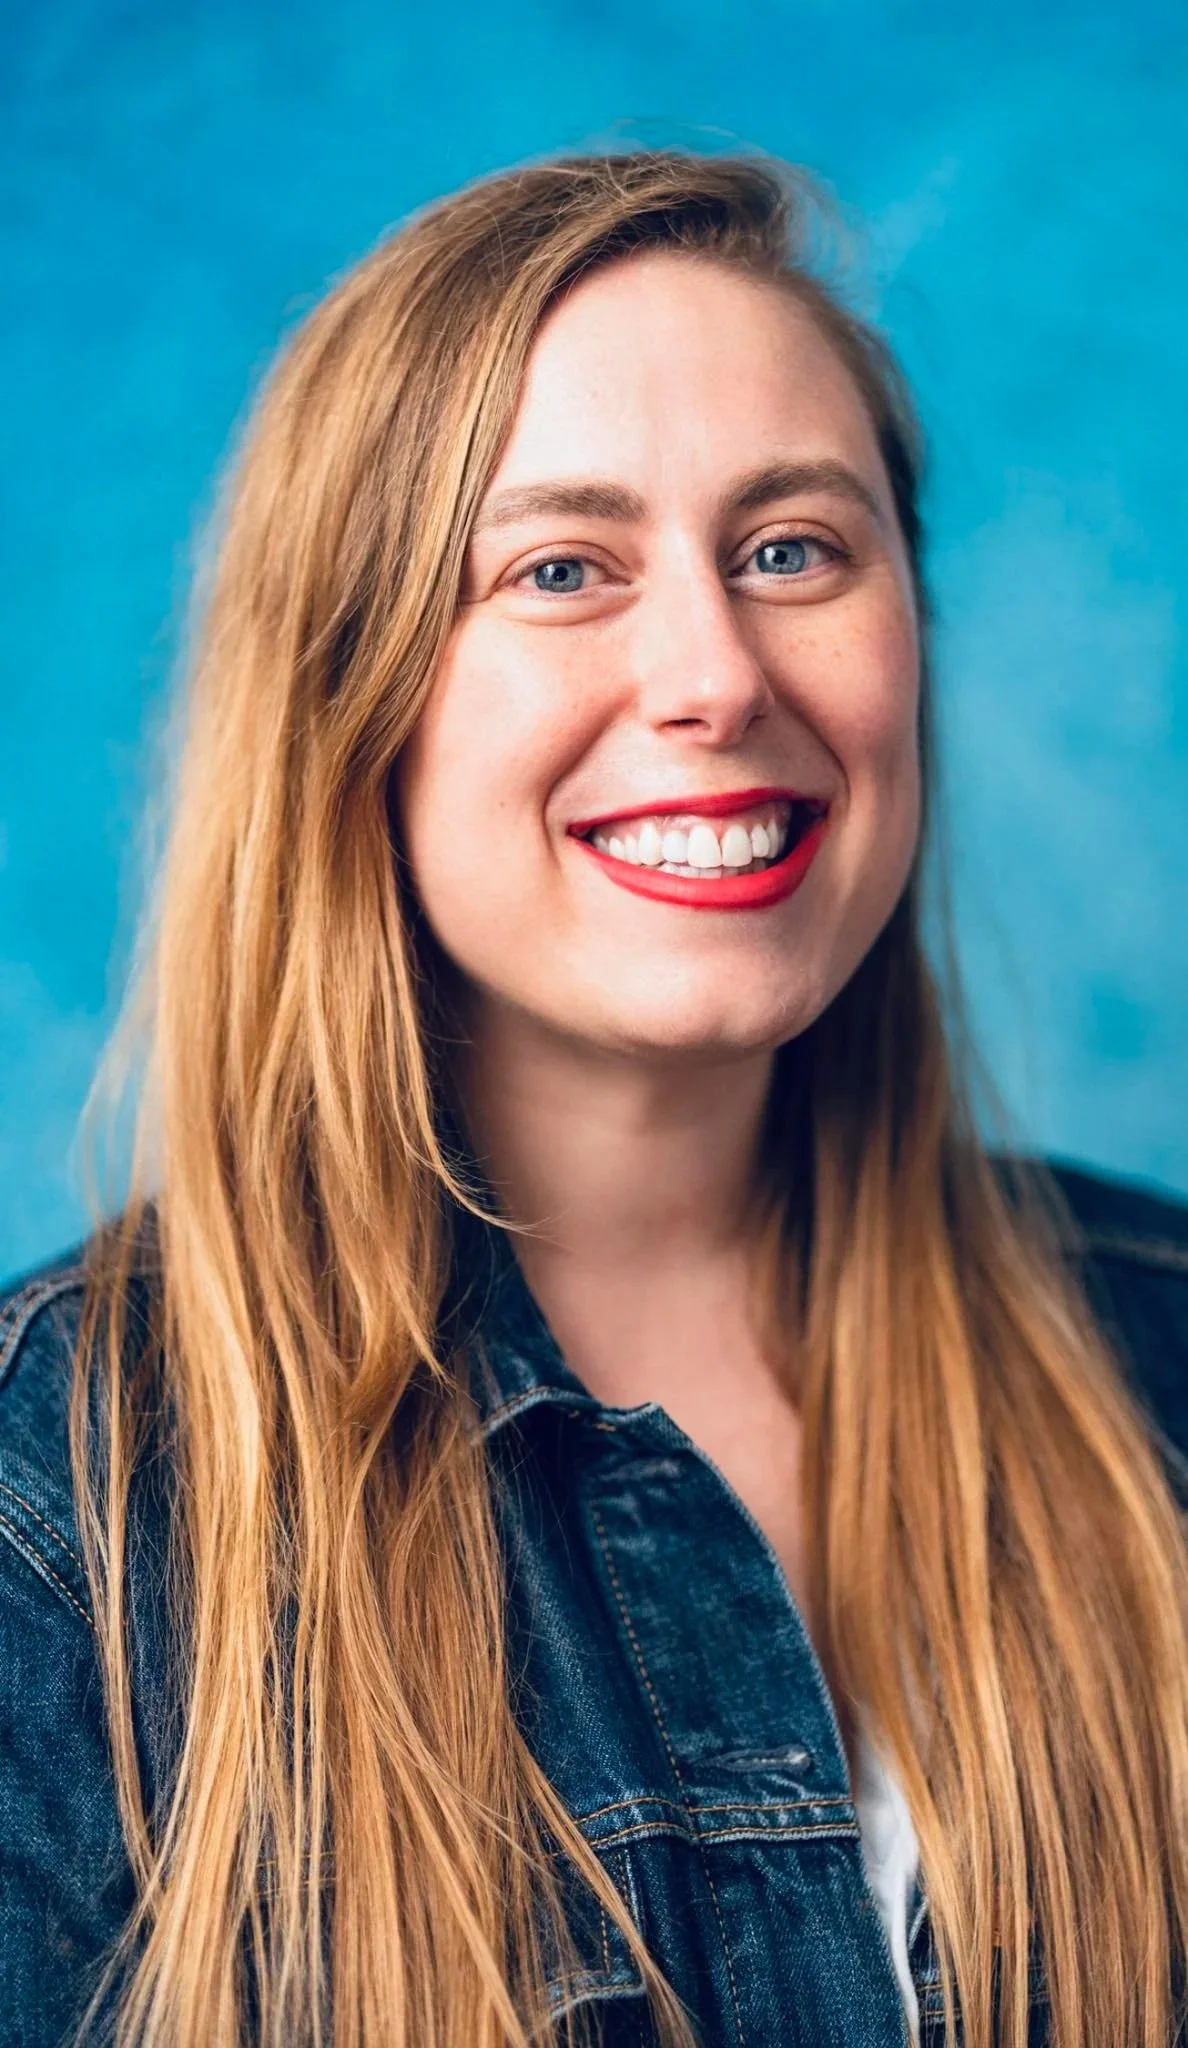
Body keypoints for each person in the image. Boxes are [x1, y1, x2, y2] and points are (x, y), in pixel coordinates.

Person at [0, 150, 1185, 2048]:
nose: (714, 676)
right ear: (349, 692)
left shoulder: (1161, 1354)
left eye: (795, 547)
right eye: (563, 569)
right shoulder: (55, 1518)